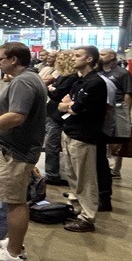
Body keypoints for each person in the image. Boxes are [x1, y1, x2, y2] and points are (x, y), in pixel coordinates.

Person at [0, 42, 48, 261]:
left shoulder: (23, 81)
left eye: (1, 58)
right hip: (17, 150)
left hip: (14, 153)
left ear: (14, 59)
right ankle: (13, 242)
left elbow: (16, 117)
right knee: (15, 200)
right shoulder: (29, 78)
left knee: (15, 202)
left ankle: (13, 253)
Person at [57, 46, 109, 232]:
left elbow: (75, 108)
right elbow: (62, 104)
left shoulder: (95, 83)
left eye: (77, 56)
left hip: (84, 137)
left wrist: (68, 105)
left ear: (89, 59)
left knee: (85, 180)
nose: (73, 59)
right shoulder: (79, 81)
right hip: (69, 132)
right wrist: (67, 105)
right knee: (72, 175)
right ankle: (78, 209)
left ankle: (87, 217)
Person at [99, 49, 132, 179]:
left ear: (112, 56)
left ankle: (114, 169)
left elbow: (127, 95)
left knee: (117, 138)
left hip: (118, 108)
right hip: (102, 108)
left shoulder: (123, 73)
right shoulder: (98, 71)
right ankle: (103, 165)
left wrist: (126, 115)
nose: (100, 56)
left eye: (103, 54)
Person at [43, 50, 75, 185]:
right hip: (52, 113)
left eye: (59, 60)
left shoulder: (71, 78)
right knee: (51, 144)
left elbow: (57, 94)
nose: (57, 62)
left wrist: (50, 89)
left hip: (58, 116)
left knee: (52, 145)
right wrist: (52, 89)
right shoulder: (63, 76)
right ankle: (52, 173)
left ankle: (52, 174)